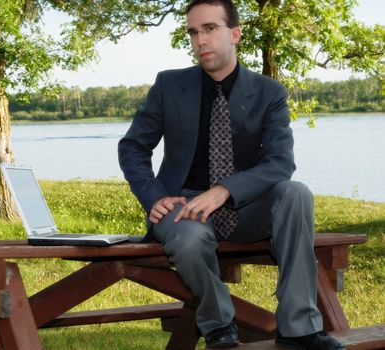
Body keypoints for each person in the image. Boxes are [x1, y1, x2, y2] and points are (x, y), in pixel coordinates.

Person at [118, 0, 345, 349]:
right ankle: (218, 325)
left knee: (296, 192)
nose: (200, 41)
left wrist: (224, 190)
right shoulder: (168, 86)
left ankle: (298, 329)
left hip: (246, 205)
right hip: (184, 206)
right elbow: (132, 147)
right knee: (190, 239)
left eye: (210, 29)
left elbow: (280, 163)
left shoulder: (270, 93)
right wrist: (154, 195)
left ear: (235, 34)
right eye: (193, 32)